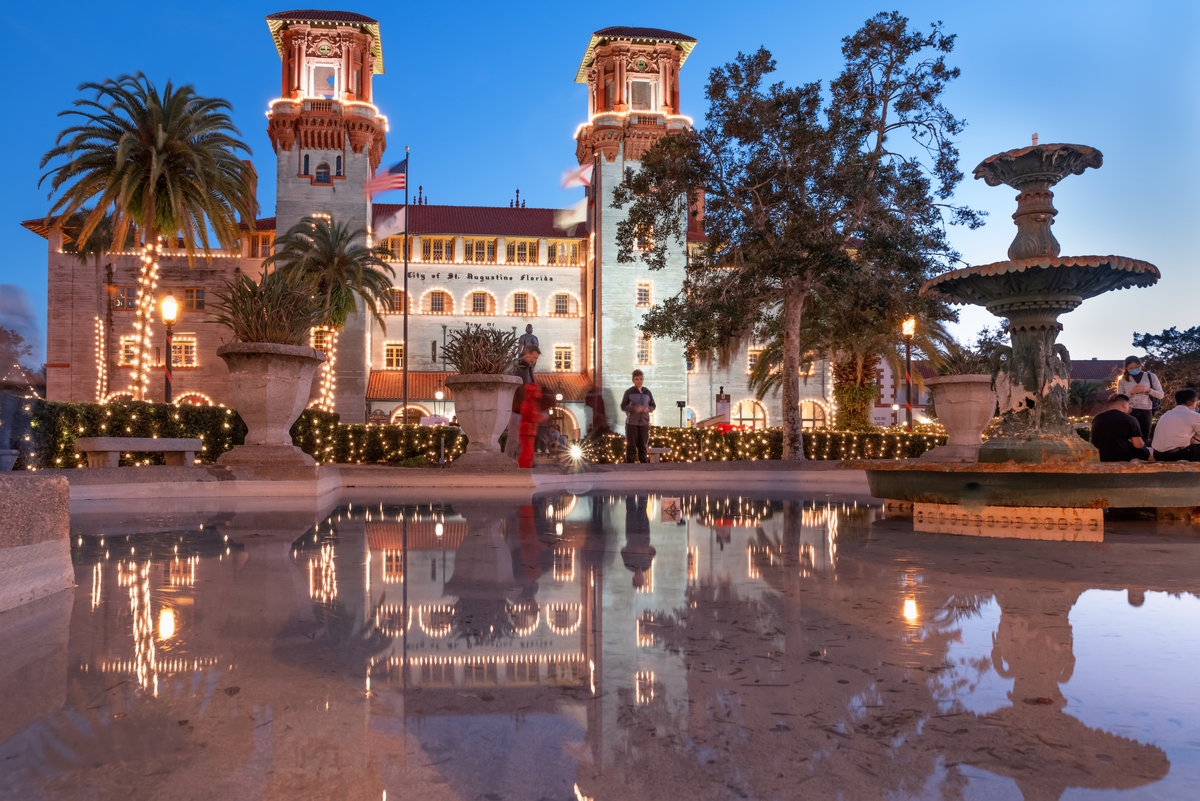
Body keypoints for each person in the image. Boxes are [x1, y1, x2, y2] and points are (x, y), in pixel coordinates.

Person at [1091, 394, 1152, 462]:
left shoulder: (1097, 417)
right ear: (1125, 405)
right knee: (1144, 451)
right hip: (1122, 457)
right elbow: (1138, 445)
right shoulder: (1130, 419)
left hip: (1100, 456)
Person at [1116, 355, 1163, 441]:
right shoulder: (1122, 380)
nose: (1134, 369)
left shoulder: (1151, 376)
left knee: (1144, 437)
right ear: (1126, 368)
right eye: (1131, 368)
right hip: (1129, 410)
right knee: (1129, 437)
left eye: (1136, 367)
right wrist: (1131, 392)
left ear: (1141, 365)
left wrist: (1147, 390)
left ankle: (1142, 453)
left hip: (1146, 410)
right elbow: (1119, 399)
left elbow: (1161, 395)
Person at [505, 345, 539, 459]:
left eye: (536, 359)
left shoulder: (528, 368)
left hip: (524, 409)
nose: (534, 361)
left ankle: (519, 463)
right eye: (533, 357)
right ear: (526, 353)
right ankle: (509, 461)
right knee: (513, 438)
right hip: (516, 407)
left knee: (522, 438)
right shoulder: (515, 365)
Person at [1150, 388, 1200, 461]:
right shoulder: (1193, 415)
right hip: (1175, 455)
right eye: (1196, 402)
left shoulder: (1166, 414)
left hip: (1157, 455)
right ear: (1189, 402)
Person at [620, 369, 656, 464]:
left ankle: (644, 468)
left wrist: (647, 409)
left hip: (644, 423)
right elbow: (623, 406)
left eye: (640, 379)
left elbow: (653, 405)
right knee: (631, 447)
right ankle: (630, 467)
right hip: (632, 423)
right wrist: (635, 408)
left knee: (643, 447)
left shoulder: (647, 392)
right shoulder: (629, 392)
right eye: (636, 379)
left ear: (643, 379)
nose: (639, 381)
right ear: (633, 380)